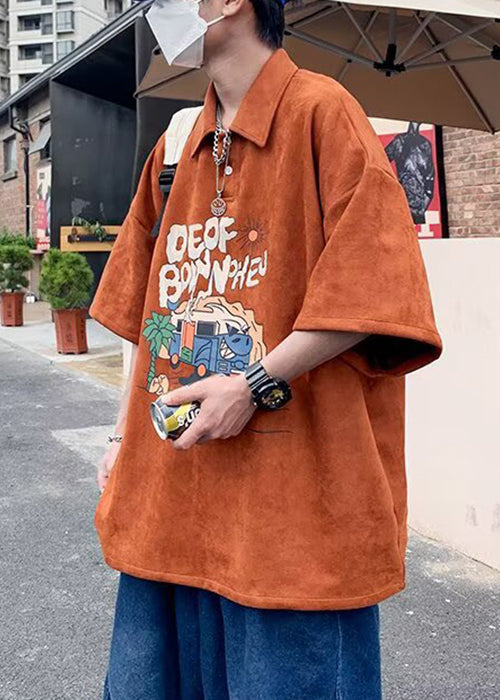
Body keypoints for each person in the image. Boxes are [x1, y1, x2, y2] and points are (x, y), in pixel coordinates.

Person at [89, 0, 443, 697]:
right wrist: (123, 434)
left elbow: (374, 294)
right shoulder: (176, 142)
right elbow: (147, 313)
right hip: (171, 507)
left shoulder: (322, 113)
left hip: (294, 519)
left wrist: (251, 385)